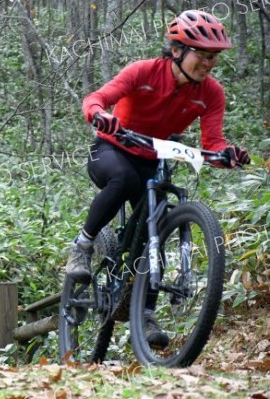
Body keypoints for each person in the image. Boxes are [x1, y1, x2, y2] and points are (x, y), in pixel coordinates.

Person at [66, 10, 250, 348]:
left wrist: (228, 156)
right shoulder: (144, 72)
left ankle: (145, 311)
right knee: (123, 181)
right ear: (177, 50)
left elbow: (213, 144)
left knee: (158, 228)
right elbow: (96, 99)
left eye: (214, 57)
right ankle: (82, 245)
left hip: (154, 159)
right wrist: (101, 115)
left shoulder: (211, 93)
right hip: (110, 150)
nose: (209, 63)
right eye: (203, 55)